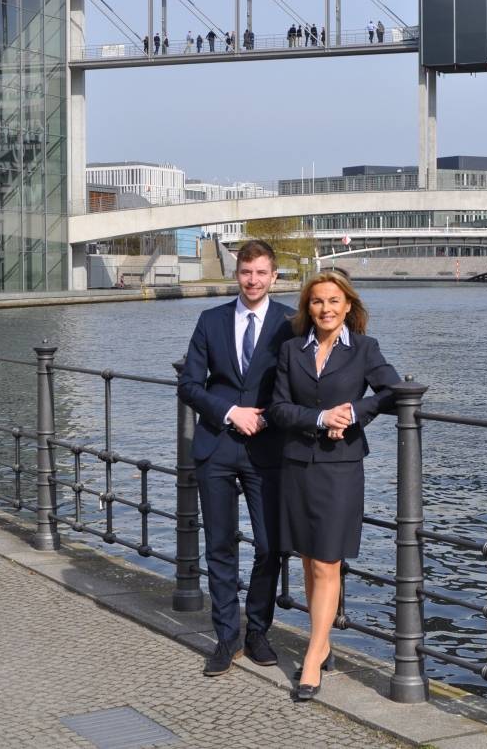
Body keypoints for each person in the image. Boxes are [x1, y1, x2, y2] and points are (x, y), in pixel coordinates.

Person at [269, 272, 399, 701]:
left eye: (333, 301)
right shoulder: (291, 350)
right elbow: (280, 408)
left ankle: (312, 657)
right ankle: (321, 643)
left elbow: (393, 391)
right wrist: (321, 418)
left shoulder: (365, 349)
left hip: (340, 467)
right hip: (296, 465)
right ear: (308, 308)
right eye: (317, 302)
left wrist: (355, 412)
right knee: (308, 560)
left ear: (348, 306)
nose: (325, 309)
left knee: (327, 562)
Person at [178, 240, 297, 676]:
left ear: (274, 276)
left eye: (262, 273)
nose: (253, 280)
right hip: (217, 445)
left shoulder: (290, 322)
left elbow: (299, 383)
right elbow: (189, 385)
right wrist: (230, 411)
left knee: (271, 545)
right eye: (247, 272)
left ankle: (259, 630)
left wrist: (266, 418)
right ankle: (227, 637)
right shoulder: (211, 321)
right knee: (220, 545)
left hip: (267, 448)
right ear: (237, 274)